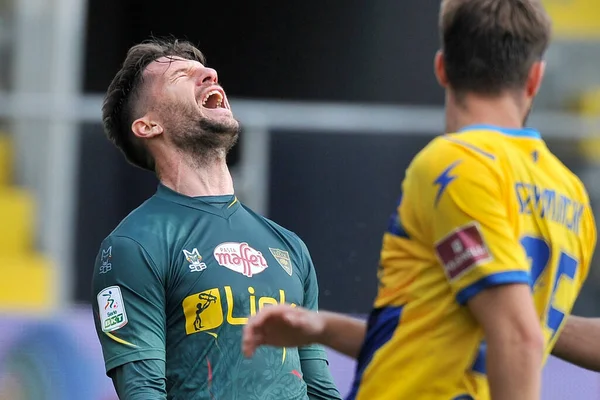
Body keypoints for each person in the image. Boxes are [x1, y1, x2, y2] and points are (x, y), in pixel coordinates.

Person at [242, 0, 598, 399]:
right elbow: (443, 345)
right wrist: (322, 327)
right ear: (535, 78)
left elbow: (519, 336)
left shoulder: (455, 163)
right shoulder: (573, 196)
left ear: (442, 67)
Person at [91, 38, 342, 400]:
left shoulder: (290, 247)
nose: (210, 74)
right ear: (148, 125)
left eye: (205, 70)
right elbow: (142, 390)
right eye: (182, 75)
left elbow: (319, 386)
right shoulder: (133, 246)